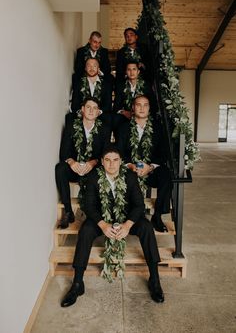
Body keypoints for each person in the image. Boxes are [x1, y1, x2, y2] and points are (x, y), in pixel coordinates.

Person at [60, 145, 164, 307]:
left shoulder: (129, 176)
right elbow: (89, 205)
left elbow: (138, 205)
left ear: (121, 161)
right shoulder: (94, 176)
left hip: (126, 218)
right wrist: (103, 225)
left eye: (115, 160)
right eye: (107, 160)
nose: (111, 164)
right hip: (102, 218)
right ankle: (77, 283)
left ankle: (155, 279)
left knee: (146, 227)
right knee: (86, 230)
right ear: (101, 162)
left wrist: (128, 225)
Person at [117, 95, 171, 232]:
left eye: (145, 105)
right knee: (124, 177)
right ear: (133, 108)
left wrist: (150, 166)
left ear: (149, 108)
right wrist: (130, 165)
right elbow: (119, 151)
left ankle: (157, 216)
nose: (141, 108)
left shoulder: (158, 128)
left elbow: (163, 152)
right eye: (138, 105)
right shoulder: (123, 128)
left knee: (166, 175)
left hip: (150, 169)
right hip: (131, 169)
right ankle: (131, 216)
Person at [55, 97, 111, 229]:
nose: (91, 110)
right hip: (75, 168)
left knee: (100, 174)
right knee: (60, 168)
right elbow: (64, 152)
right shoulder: (71, 126)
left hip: (93, 170)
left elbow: (106, 154)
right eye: (88, 107)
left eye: (95, 108)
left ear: (98, 112)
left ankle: (94, 215)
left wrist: (93, 163)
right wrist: (71, 162)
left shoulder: (104, 129)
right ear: (82, 110)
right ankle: (68, 212)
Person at [113, 61, 157, 136]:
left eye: (134, 69)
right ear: (126, 72)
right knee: (117, 120)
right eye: (129, 70)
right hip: (127, 116)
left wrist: (142, 115)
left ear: (138, 71)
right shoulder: (121, 86)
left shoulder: (146, 85)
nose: (131, 72)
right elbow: (116, 107)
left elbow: (153, 105)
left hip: (143, 116)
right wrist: (124, 112)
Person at [70, 57, 113, 128]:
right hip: (83, 116)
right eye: (89, 66)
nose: (92, 68)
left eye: (94, 66)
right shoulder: (78, 83)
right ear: (85, 68)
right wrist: (84, 113)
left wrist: (98, 112)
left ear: (98, 69)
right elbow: (75, 104)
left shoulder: (106, 84)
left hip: (100, 116)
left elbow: (108, 105)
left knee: (108, 120)